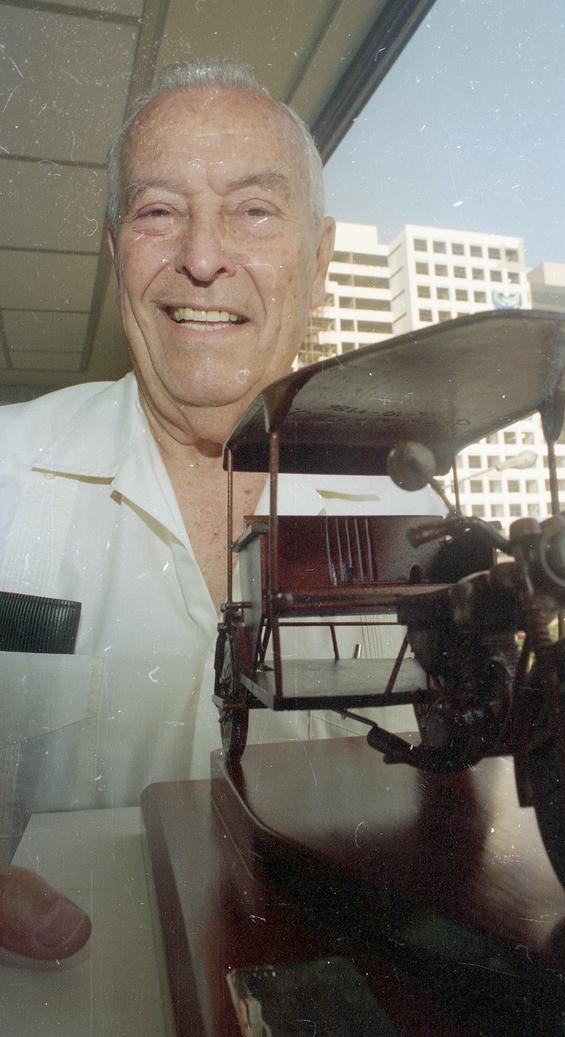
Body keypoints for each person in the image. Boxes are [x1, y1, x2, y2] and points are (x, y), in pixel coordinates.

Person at [0, 60, 441, 959]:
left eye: (254, 210)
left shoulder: (411, 511)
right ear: (116, 250)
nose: (202, 258)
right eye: (159, 211)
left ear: (318, 263)